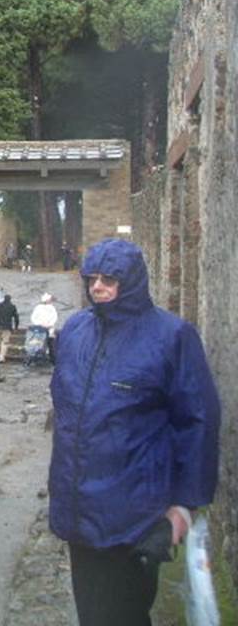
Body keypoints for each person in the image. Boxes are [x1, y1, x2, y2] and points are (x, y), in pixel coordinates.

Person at [48, 238, 220, 626]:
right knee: (92, 614)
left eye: (110, 279)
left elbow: (198, 423)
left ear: (133, 281)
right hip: (78, 511)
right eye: (92, 278)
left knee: (121, 616)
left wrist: (183, 506)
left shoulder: (172, 337)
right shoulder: (75, 330)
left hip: (134, 518)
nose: (98, 287)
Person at [29, 292, 58, 363]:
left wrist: (49, 324)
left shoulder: (52, 308)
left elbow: (54, 317)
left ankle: (52, 359)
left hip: (49, 329)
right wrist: (39, 324)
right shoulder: (38, 307)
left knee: (50, 344)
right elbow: (33, 317)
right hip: (39, 329)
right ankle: (37, 358)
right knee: (38, 344)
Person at [0, 293, 18, 362]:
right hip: (7, 327)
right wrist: (16, 327)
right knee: (5, 342)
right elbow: (16, 318)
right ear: (10, 299)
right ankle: (1, 358)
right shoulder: (12, 307)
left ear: (4, 299)